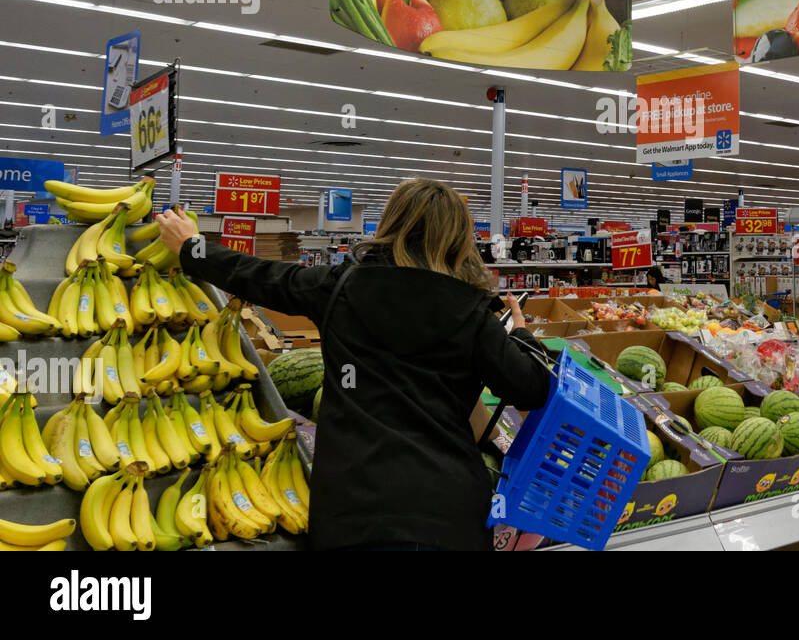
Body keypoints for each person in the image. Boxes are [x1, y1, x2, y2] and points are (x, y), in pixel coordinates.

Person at [153, 179, 552, 551]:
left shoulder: (342, 286)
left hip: (354, 511)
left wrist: (193, 247)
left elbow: (261, 277)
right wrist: (519, 334)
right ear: (456, 239)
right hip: (445, 512)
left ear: (391, 222)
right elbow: (531, 388)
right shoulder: (471, 310)